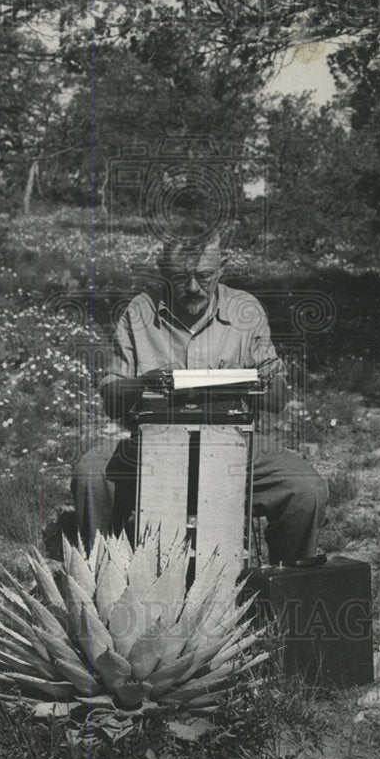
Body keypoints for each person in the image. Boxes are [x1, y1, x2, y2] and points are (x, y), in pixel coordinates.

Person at [71, 226, 328, 564]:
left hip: (234, 448)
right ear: (163, 271)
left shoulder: (245, 310)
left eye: (204, 276)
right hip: (153, 447)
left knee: (307, 489)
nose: (193, 288)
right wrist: (145, 384)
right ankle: (102, 577)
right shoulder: (140, 312)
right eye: (180, 277)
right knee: (91, 474)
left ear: (222, 267)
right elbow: (112, 396)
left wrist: (261, 381)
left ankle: (284, 585)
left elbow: (278, 398)